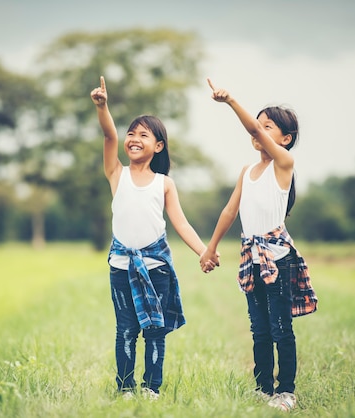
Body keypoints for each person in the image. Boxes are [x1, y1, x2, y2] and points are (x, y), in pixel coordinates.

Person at [90, 76, 216, 400]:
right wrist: (103, 107)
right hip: (120, 267)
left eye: (143, 135)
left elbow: (182, 224)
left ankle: (151, 388)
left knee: (155, 331)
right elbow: (108, 134)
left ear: (158, 146)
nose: (133, 139)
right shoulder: (116, 174)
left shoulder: (164, 183)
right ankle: (126, 388)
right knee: (127, 331)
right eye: (131, 133)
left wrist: (205, 252)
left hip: (156, 267)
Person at [200, 78, 318, 412]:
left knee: (281, 328)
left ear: (285, 139)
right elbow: (229, 210)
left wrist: (232, 101)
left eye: (266, 128)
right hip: (251, 257)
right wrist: (210, 247)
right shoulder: (247, 170)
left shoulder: (284, 165)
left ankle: (286, 391)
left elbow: (250, 125)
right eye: (259, 125)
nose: (258, 132)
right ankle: (263, 388)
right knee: (259, 329)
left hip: (277, 259)